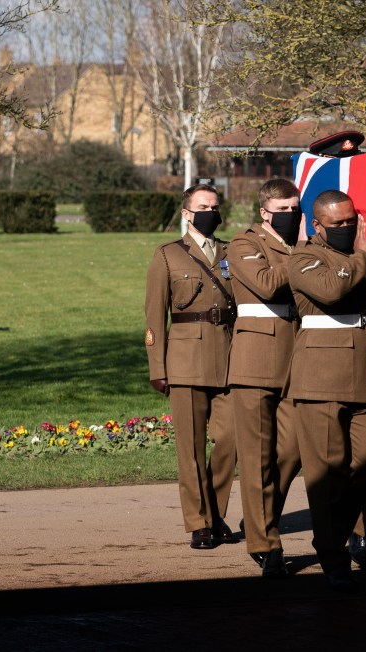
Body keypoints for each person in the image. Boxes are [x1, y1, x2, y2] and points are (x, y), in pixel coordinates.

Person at [287, 189, 366, 592]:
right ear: (317, 225)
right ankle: (332, 554)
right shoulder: (302, 257)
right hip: (321, 377)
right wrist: (362, 253)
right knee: (327, 472)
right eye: (337, 224)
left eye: (351, 221)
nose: (346, 228)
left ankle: (342, 532)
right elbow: (331, 290)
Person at [144, 183, 238, 550]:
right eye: (202, 206)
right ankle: (199, 522)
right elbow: (154, 316)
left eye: (215, 206)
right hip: (184, 361)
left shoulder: (231, 252)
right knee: (191, 447)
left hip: (229, 357)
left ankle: (214, 512)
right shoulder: (167, 255)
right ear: (186, 213)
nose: (210, 212)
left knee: (230, 440)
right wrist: (157, 367)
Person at [227, 179, 303, 578]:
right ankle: (264, 541)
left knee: (291, 453)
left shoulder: (301, 245)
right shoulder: (244, 244)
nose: (291, 216)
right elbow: (268, 284)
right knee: (257, 458)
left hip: (298, 359)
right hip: (256, 360)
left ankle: (260, 516)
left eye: (295, 208)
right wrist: (306, 253)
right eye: (283, 210)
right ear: (264, 212)